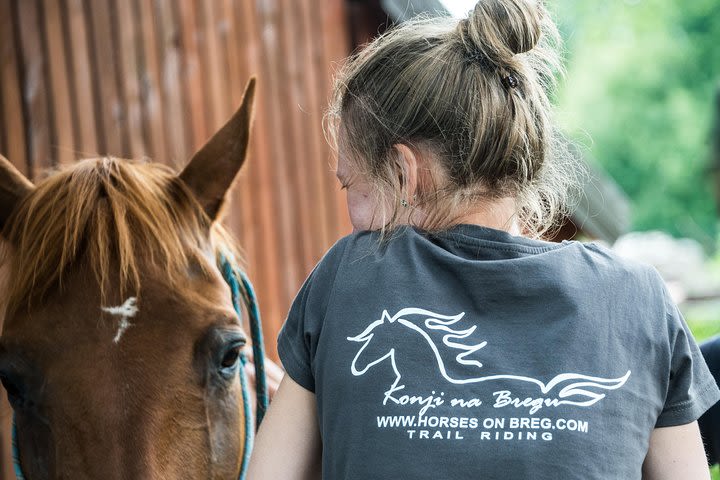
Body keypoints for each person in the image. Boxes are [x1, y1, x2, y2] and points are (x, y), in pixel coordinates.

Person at [248, 0, 719, 478]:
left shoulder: (346, 277)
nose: (352, 219)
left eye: (352, 186)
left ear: (404, 172)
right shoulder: (637, 299)